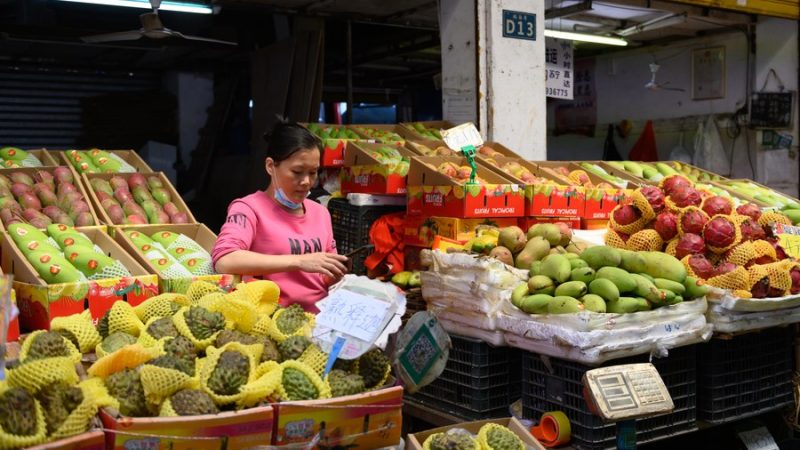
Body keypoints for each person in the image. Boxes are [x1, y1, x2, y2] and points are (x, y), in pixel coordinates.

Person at [212, 122, 348, 312]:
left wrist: (334, 274)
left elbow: (323, 276)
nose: (306, 182)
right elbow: (224, 260)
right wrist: (299, 261)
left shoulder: (321, 213)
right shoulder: (248, 208)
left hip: (319, 321)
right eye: (297, 172)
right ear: (270, 166)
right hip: (270, 321)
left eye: (313, 172)